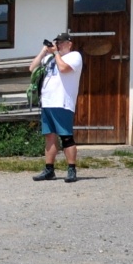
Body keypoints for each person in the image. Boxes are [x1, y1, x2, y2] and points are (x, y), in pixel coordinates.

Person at [32, 33, 85, 183]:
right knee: (49, 136)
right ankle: (49, 169)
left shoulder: (74, 56)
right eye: (57, 43)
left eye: (61, 43)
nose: (59, 45)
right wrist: (44, 51)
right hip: (47, 102)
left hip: (62, 102)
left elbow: (63, 69)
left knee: (66, 136)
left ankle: (71, 169)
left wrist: (55, 53)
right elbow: (32, 68)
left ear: (69, 43)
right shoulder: (49, 58)